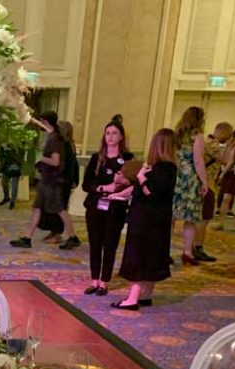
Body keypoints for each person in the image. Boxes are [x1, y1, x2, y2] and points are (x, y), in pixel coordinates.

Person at [111, 128, 179, 310]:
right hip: (154, 220)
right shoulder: (162, 168)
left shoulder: (165, 168)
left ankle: (132, 298)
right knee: (151, 256)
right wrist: (122, 194)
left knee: (140, 256)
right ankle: (146, 294)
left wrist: (141, 177)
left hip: (148, 221)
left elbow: (151, 192)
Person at [9, 111, 79, 248]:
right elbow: (48, 128)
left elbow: (55, 161)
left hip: (52, 182)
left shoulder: (54, 140)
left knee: (60, 210)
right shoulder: (54, 135)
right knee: (37, 208)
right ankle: (28, 238)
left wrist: (40, 157)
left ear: (46, 121)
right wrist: (33, 120)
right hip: (47, 182)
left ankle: (73, 236)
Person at [81, 121, 133, 295]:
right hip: (96, 205)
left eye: (114, 133)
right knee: (95, 243)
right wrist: (104, 188)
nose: (110, 136)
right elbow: (86, 184)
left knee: (110, 243)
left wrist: (123, 182)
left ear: (121, 136)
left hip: (116, 207)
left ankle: (104, 281)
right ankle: (94, 280)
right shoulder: (97, 158)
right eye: (107, 133)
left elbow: (134, 184)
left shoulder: (127, 158)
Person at [172, 106, 211, 266]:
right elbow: (198, 161)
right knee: (191, 219)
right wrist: (205, 182)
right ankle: (187, 252)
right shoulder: (197, 135)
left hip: (176, 176)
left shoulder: (177, 135)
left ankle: (164, 252)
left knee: (171, 217)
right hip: (190, 179)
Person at [194, 121, 233, 261]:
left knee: (201, 217)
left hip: (205, 184)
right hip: (207, 185)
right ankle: (197, 246)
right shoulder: (212, 144)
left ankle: (195, 246)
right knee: (204, 218)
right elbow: (226, 160)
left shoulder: (207, 142)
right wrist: (230, 145)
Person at [58, 121, 81, 249]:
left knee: (62, 210)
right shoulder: (69, 145)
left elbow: (68, 166)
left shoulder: (66, 145)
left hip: (63, 182)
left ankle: (72, 237)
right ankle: (70, 236)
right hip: (66, 181)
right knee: (62, 209)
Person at [0, 143, 22, 209]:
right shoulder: (2, 151)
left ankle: (12, 201)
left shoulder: (16, 150)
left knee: (14, 186)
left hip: (15, 169)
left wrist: (10, 151)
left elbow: (19, 160)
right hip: (7, 169)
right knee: (4, 183)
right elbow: (2, 160)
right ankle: (6, 197)